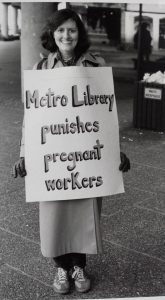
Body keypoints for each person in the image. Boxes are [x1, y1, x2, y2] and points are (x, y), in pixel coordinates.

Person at [12, 8, 130, 295]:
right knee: (55, 214)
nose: (67, 35)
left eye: (72, 30)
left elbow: (106, 114)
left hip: (86, 158)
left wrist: (116, 151)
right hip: (53, 158)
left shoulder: (96, 65)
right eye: (61, 30)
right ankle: (60, 268)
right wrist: (25, 152)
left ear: (80, 34)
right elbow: (32, 116)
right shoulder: (41, 69)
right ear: (53, 34)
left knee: (83, 212)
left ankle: (79, 266)